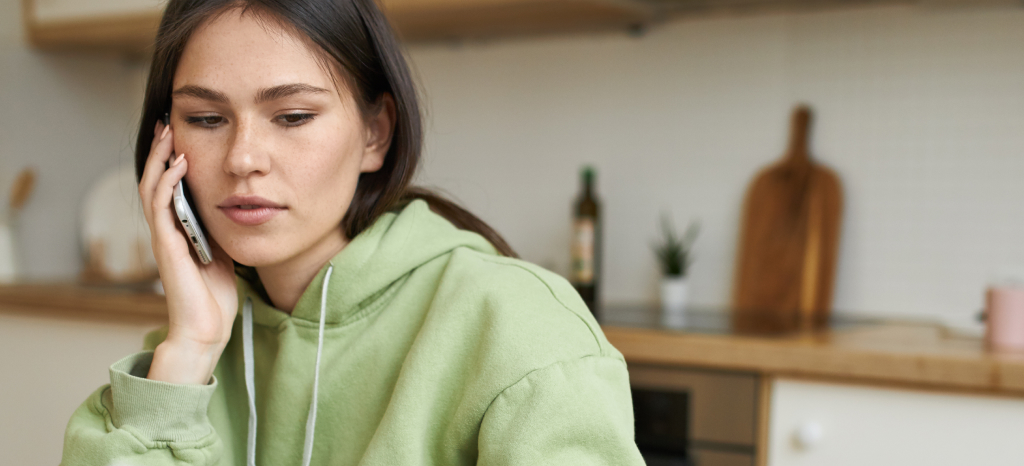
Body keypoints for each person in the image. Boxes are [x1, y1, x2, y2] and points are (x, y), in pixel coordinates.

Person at [60, 0, 644, 464]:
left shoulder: (518, 326)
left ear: (375, 133)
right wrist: (189, 352)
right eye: (206, 119)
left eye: (292, 117)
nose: (242, 159)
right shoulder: (190, 348)